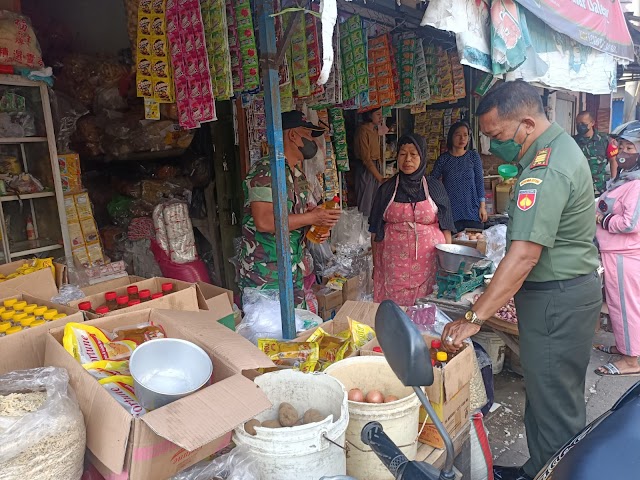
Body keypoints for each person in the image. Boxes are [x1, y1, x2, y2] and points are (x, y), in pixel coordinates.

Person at [440, 81, 601, 480]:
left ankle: (555, 473)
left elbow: (526, 254)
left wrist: (474, 317)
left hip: (556, 299)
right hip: (563, 294)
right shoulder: (558, 149)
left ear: (526, 124)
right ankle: (539, 469)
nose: (493, 146)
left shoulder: (545, 168)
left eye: (497, 136)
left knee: (554, 405)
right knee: (550, 396)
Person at [238, 110, 342, 307]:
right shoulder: (267, 170)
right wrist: (311, 218)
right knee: (269, 333)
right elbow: (265, 221)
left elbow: (294, 217)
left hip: (292, 268)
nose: (315, 143)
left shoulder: (296, 174)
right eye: (309, 135)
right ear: (293, 136)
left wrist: (316, 223)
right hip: (266, 273)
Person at [369, 134, 455, 306]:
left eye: (413, 154)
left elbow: (446, 226)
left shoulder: (434, 186)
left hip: (428, 263)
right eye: (402, 154)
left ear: (422, 156)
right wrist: (376, 265)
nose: (407, 159)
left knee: (425, 307)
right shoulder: (386, 189)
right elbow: (375, 229)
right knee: (394, 310)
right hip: (393, 263)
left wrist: (448, 265)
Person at [594, 121, 640, 377]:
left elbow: (629, 223)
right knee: (619, 304)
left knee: (625, 306)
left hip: (625, 254)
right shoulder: (624, 179)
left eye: (629, 146)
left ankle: (632, 361)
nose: (622, 151)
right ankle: (627, 348)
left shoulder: (637, 184)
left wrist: (600, 220)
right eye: (620, 145)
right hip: (615, 253)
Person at [431, 121, 488, 232]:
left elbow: (479, 182)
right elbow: (432, 181)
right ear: (451, 136)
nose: (462, 138)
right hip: (451, 212)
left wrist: (482, 207)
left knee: (474, 243)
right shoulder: (443, 159)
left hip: (472, 210)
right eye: (458, 135)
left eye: (465, 135)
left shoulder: (473, 156)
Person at [574, 111, 613, 196]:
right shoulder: (573, 141)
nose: (580, 126)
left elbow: (613, 160)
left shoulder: (605, 140)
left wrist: (614, 182)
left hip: (599, 189)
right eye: (578, 123)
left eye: (583, 123)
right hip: (578, 189)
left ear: (592, 123)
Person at [354, 108, 384, 217]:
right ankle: (363, 231)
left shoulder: (375, 130)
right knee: (365, 203)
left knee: (375, 201)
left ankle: (372, 230)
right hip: (366, 169)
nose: (381, 117)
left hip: (375, 166)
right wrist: (379, 177)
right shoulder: (362, 131)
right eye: (378, 114)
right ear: (369, 115)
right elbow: (366, 159)